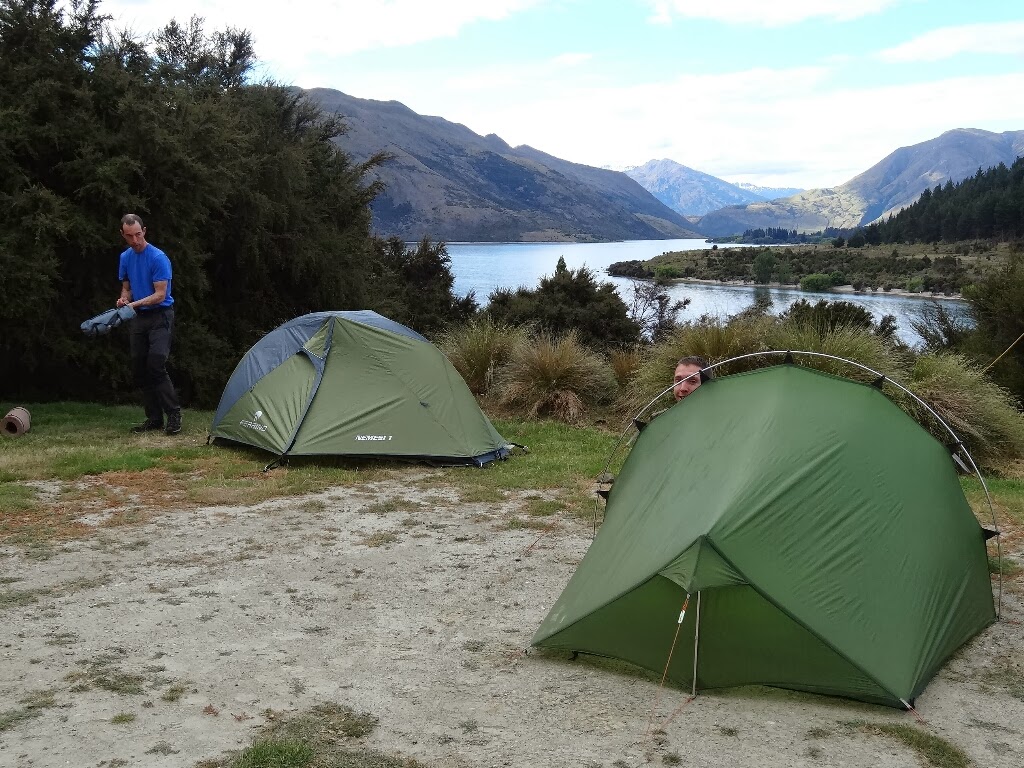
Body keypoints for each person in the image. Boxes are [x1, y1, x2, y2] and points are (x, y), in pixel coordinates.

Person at [116, 214, 182, 435]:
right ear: (123, 235)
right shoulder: (125, 257)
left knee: (156, 364)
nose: (135, 240)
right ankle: (154, 419)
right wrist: (123, 299)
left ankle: (174, 415)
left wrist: (132, 304)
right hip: (139, 317)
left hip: (160, 315)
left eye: (138, 234)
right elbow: (127, 288)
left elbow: (160, 295)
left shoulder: (158, 257)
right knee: (139, 367)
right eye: (129, 236)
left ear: (144, 231)